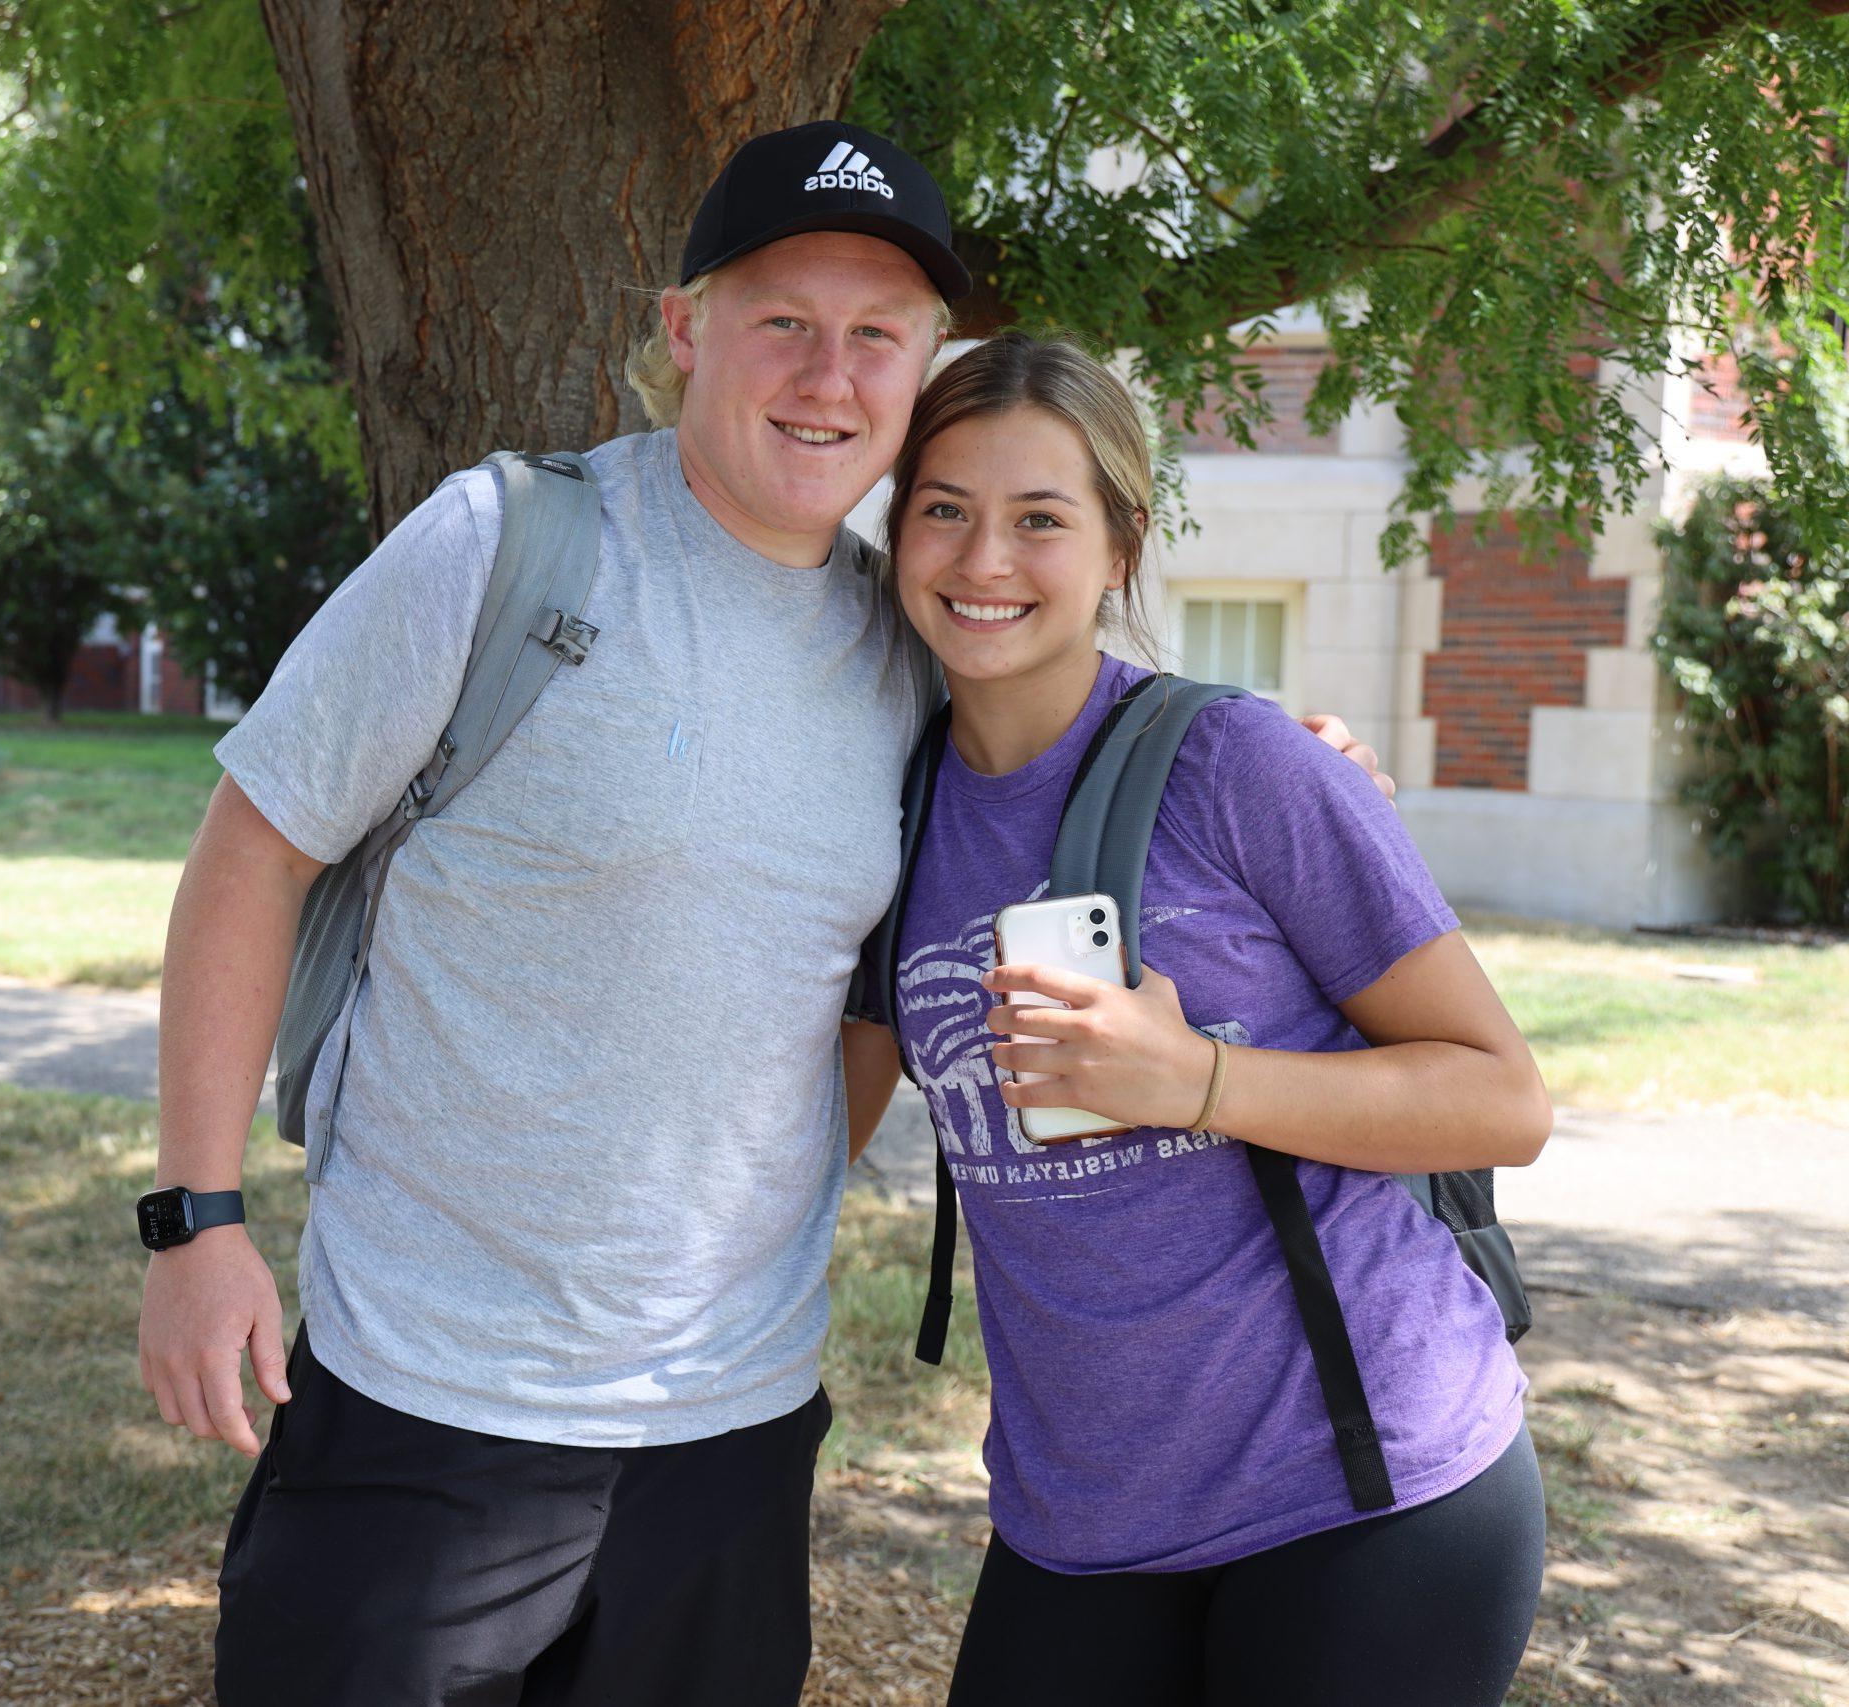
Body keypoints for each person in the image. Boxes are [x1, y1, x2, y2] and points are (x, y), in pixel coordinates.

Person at [137, 120, 1390, 1707]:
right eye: (783, 320)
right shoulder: (504, 543)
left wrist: (1306, 763)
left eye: (879, 334)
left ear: (929, 358)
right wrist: (195, 1220)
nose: (829, 375)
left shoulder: (908, 640)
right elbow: (254, 850)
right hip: (427, 1409)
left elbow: (1040, 774)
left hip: (727, 1440)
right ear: (683, 330)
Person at [852, 332, 1550, 1707]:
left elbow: (1502, 1099)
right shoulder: (889, 804)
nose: (984, 559)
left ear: (1121, 546)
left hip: (1361, 1497)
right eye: (945, 509)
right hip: (1079, 1520)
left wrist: (1198, 1080)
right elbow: (811, 1116)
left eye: (1040, 519)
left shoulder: (1241, 764)